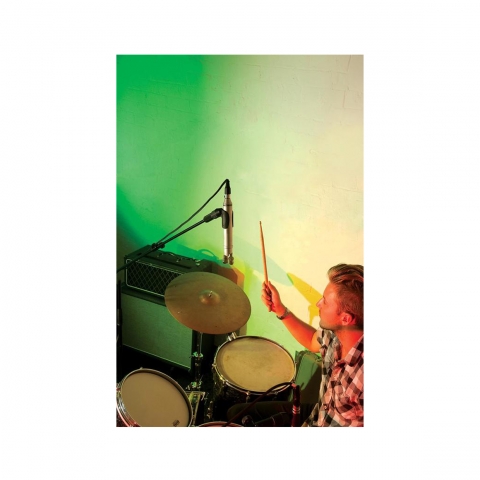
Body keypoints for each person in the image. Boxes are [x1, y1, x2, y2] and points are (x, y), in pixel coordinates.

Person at [226, 263, 364, 427]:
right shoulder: (334, 332)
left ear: (346, 318)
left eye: (325, 301)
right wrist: (280, 309)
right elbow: (312, 339)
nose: (318, 303)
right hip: (318, 414)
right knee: (235, 414)